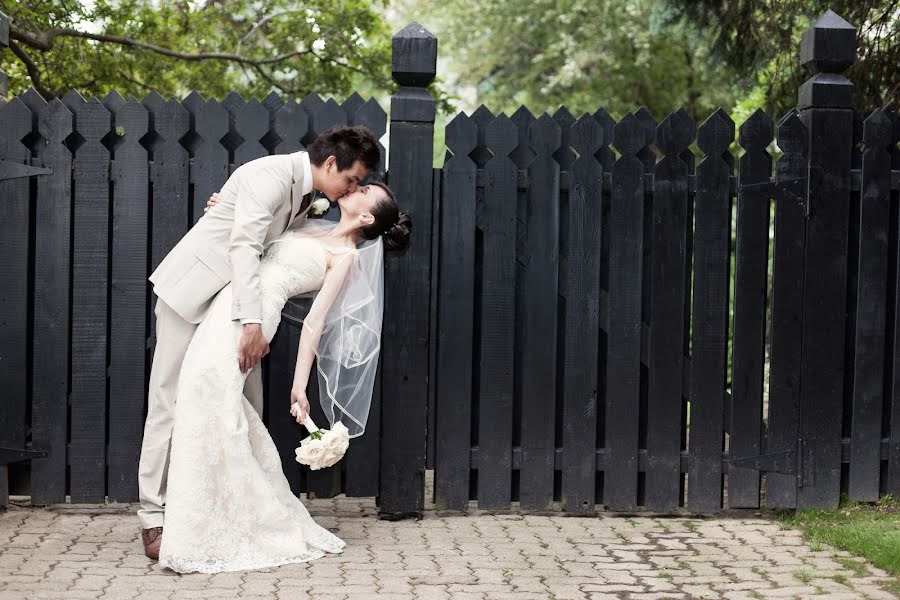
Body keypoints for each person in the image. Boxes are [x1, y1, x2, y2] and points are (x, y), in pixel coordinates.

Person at [137, 125, 380, 561]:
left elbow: (282, 249)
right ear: (329, 164)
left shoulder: (310, 200)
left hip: (234, 307)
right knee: (169, 401)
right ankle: (153, 517)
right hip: (194, 294)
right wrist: (252, 322)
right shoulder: (269, 175)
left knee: (241, 409)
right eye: (352, 178)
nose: (353, 187)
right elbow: (246, 244)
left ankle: (234, 510)